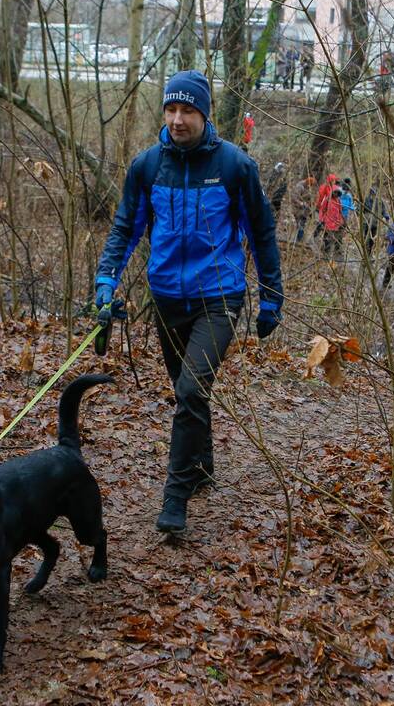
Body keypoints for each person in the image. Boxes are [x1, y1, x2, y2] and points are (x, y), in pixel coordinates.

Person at [94, 70, 284, 534]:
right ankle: (201, 467)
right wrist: (105, 282)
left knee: (190, 390)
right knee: (188, 389)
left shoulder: (235, 167)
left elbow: (261, 233)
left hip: (218, 297)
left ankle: (175, 495)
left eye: (188, 111)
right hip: (166, 298)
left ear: (205, 114)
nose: (178, 120)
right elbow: (126, 228)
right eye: (171, 109)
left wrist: (271, 298)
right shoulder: (146, 167)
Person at [361, 186, 389, 256]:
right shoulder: (367, 200)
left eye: (373, 193)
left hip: (375, 224)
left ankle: (369, 253)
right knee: (366, 238)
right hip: (367, 223)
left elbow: (383, 211)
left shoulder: (379, 202)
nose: (372, 195)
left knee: (372, 239)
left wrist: (386, 217)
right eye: (371, 193)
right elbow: (362, 210)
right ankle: (365, 253)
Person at [319, 186, 344, 255]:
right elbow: (323, 209)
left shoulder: (338, 201)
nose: (336, 194)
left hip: (335, 222)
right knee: (326, 236)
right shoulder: (327, 199)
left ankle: (329, 251)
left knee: (333, 237)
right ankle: (324, 250)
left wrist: (340, 221)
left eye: (337, 193)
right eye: (335, 192)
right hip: (328, 221)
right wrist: (322, 219)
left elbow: (340, 211)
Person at [291, 175, 316, 242]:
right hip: (297, 209)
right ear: (307, 183)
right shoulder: (300, 186)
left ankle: (299, 240)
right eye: (310, 185)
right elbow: (294, 197)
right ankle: (296, 240)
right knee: (299, 225)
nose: (310, 187)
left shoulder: (308, 188)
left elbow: (309, 198)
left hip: (305, 211)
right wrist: (301, 203)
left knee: (302, 225)